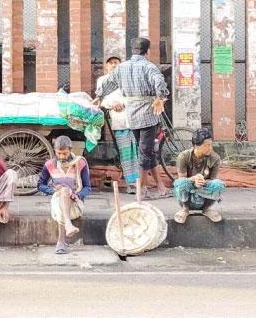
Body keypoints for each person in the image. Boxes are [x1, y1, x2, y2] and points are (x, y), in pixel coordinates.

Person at [94, 37, 170, 200]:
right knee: (145, 152)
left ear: (133, 50)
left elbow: (108, 82)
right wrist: (159, 97)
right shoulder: (148, 66)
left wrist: (99, 96)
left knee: (145, 151)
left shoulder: (122, 68)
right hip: (148, 116)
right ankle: (141, 190)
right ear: (147, 51)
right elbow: (160, 83)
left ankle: (159, 188)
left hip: (131, 116)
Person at [37, 136, 91, 254]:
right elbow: (40, 185)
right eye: (59, 153)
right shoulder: (49, 164)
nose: (62, 157)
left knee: (66, 191)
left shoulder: (80, 163)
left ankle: (61, 241)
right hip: (57, 201)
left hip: (76, 203)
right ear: (55, 151)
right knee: (64, 191)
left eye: (65, 153)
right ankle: (67, 227)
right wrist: (54, 190)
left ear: (70, 150)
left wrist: (79, 195)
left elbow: (87, 187)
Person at [96, 56, 139, 194]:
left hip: (134, 119)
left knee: (137, 152)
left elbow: (134, 96)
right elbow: (101, 100)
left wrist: (124, 103)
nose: (114, 65)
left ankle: (139, 183)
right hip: (119, 121)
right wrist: (112, 104)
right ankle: (131, 184)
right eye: (111, 63)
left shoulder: (127, 79)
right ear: (106, 66)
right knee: (126, 153)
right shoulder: (102, 81)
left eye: (116, 63)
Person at [173, 128, 225, 224]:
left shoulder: (215, 158)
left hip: (205, 193)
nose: (210, 148)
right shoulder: (183, 157)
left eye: (211, 144)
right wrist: (193, 179)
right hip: (188, 196)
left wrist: (203, 182)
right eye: (207, 145)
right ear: (197, 145)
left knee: (219, 184)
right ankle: (185, 209)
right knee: (179, 183)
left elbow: (212, 180)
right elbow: (182, 179)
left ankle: (206, 209)